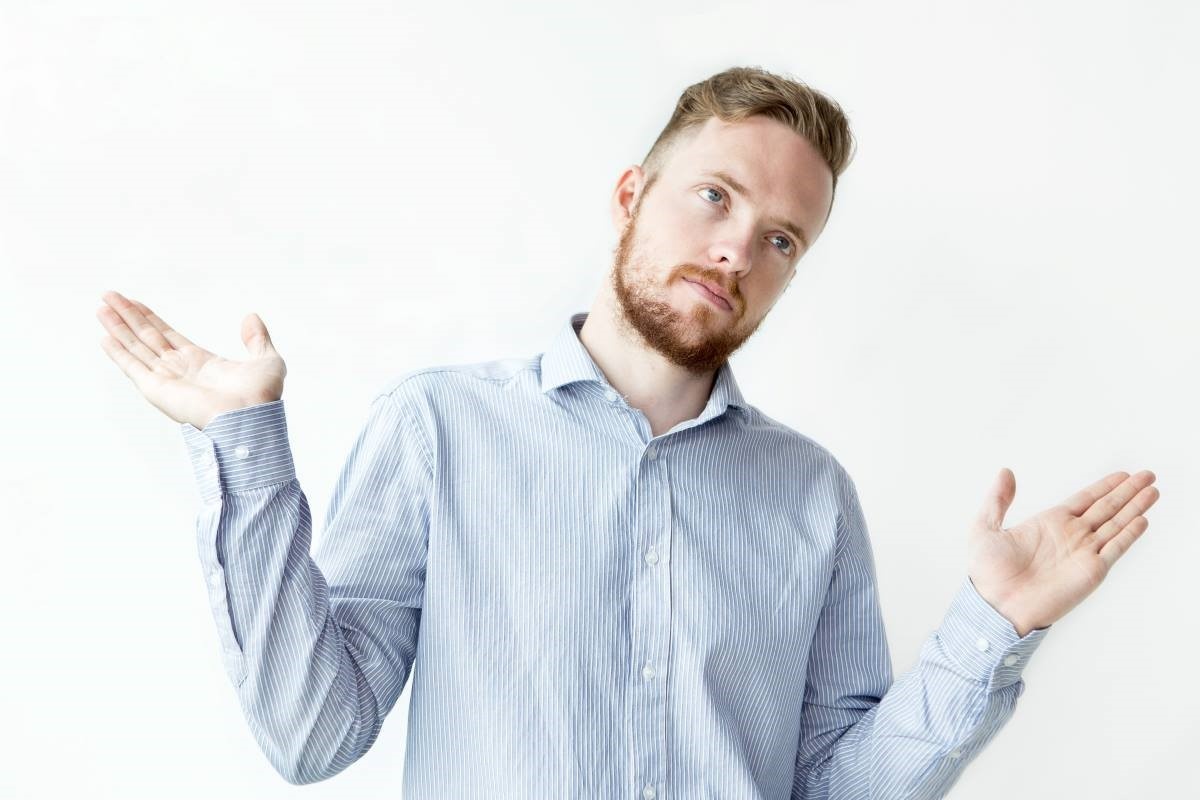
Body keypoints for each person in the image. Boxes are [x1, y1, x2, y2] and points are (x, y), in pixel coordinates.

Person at [95, 66, 1159, 799]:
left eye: (781, 238)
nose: (737, 248)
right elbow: (311, 733)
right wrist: (242, 442)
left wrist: (993, 624)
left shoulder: (812, 495)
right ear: (630, 194)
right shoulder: (440, 430)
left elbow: (840, 787)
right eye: (714, 196)